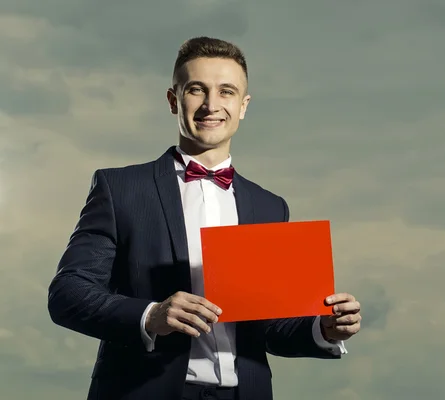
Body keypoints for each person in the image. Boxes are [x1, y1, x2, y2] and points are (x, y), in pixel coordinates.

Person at [47, 37, 362, 400]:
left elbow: (271, 327)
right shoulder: (120, 188)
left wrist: (324, 329)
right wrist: (150, 315)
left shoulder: (270, 207)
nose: (211, 105)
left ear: (243, 106)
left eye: (226, 92)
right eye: (197, 89)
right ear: (173, 100)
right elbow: (67, 293)